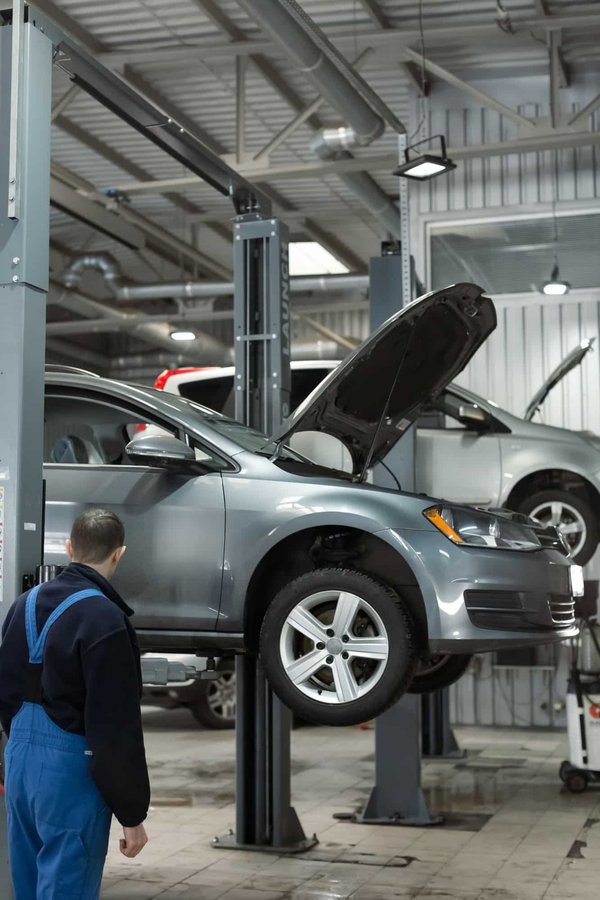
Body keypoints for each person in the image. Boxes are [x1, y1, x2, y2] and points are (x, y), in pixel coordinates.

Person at [0, 508, 150, 899]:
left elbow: (5, 691)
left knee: (29, 884)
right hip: (69, 774)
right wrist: (132, 814)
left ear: (69, 548)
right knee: (68, 886)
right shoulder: (106, 620)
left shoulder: (22, 605)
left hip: (20, 764)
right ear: (119, 554)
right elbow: (116, 727)